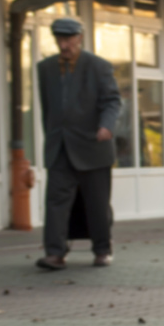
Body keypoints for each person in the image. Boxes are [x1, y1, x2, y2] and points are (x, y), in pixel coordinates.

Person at [35, 17, 121, 270]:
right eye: (60, 40)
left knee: (97, 203)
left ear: (79, 38)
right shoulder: (46, 68)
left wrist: (106, 125)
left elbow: (112, 101)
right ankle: (55, 253)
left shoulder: (99, 67)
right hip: (60, 147)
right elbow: (47, 108)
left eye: (68, 39)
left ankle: (102, 250)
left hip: (93, 146)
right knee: (56, 202)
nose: (64, 45)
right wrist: (51, 136)